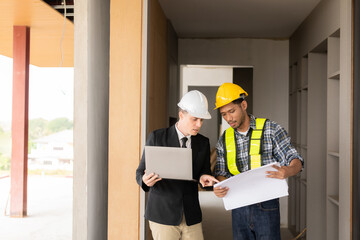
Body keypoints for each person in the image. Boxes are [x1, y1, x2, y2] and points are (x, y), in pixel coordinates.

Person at [212, 83, 304, 240]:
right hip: (238, 206)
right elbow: (220, 173)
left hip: (266, 205)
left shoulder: (271, 129)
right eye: (224, 114)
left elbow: (295, 160)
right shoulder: (224, 139)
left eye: (232, 111)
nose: (229, 118)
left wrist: (287, 171)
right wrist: (219, 187)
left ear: (244, 105)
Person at [136, 90, 219, 240]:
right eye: (195, 119)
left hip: (191, 214)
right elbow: (140, 172)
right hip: (163, 214)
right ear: (181, 115)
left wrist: (204, 177)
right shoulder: (157, 137)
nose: (199, 124)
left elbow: (204, 172)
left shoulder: (203, 142)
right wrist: (144, 180)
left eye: (202, 120)